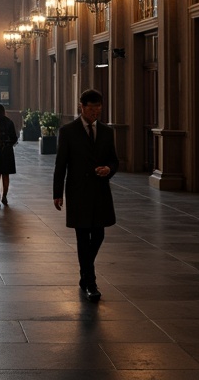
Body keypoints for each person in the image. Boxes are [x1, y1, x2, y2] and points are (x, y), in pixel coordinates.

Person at [52, 89, 119, 302]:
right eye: (91, 108)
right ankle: (90, 282)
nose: (95, 112)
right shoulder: (68, 131)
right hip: (78, 191)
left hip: (100, 190)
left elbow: (114, 160)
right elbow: (61, 164)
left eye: (98, 107)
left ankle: (84, 272)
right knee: (83, 236)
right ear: (81, 107)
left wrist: (109, 169)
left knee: (98, 234)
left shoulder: (107, 132)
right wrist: (57, 193)